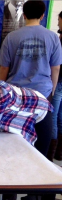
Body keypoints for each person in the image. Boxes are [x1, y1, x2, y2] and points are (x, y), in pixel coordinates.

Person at [0, 0, 62, 161]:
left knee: (15, 132)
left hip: (17, 94)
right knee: (42, 133)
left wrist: (0, 89)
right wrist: (52, 90)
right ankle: (42, 165)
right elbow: (56, 68)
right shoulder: (53, 37)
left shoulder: (11, 37)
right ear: (42, 15)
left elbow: (4, 68)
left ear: (24, 15)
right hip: (42, 93)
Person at [50, 11, 62, 161]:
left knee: (52, 117)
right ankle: (59, 153)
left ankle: (49, 155)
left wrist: (52, 86)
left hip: (59, 81)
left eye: (59, 20)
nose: (58, 23)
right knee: (60, 118)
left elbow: (57, 65)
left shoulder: (60, 39)